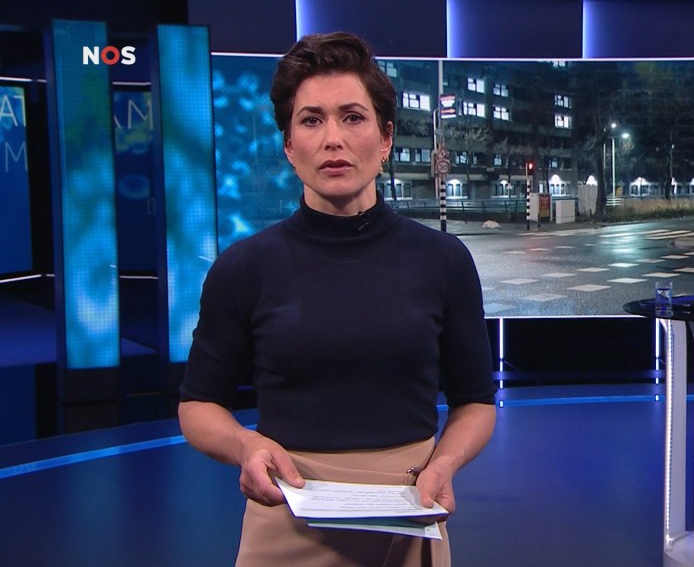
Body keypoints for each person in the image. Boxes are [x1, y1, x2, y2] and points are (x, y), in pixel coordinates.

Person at [178, 31, 497, 567]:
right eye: (311, 120)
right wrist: (246, 447)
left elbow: (476, 403)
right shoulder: (244, 267)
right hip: (285, 516)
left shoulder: (443, 260)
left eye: (352, 117)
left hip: (410, 515)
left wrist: (445, 463)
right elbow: (197, 405)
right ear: (288, 144)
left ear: (386, 137)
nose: (333, 139)